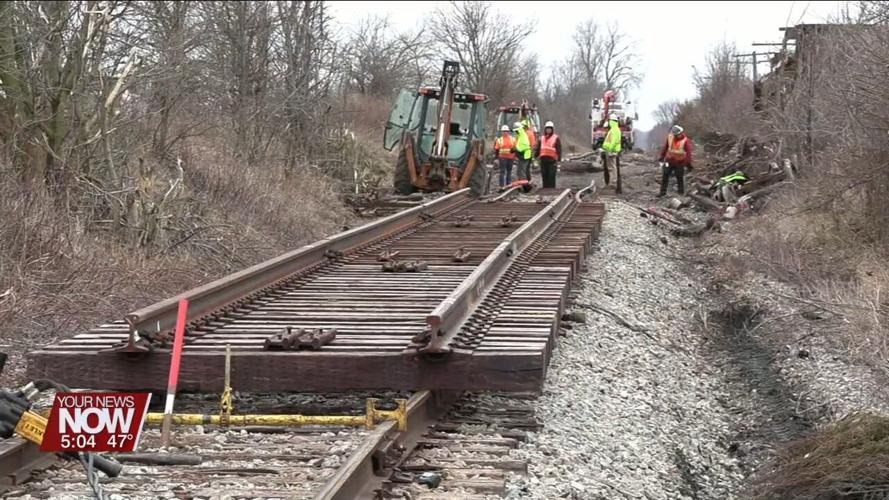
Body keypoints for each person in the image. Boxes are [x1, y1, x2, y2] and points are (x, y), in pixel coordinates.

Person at [657, 125, 694, 197]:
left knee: (679, 177)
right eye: (676, 135)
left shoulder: (685, 141)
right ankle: (662, 192)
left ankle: (681, 193)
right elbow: (666, 147)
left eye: (679, 134)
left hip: (680, 162)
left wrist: (688, 164)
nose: (678, 136)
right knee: (665, 174)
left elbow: (688, 153)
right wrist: (662, 156)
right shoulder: (670, 137)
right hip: (669, 160)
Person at [534, 121, 562, 188]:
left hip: (552, 160)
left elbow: (559, 149)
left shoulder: (556, 138)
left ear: (552, 129)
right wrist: (534, 156)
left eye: (550, 128)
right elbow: (539, 148)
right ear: (545, 129)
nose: (548, 130)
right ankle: (545, 189)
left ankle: (551, 190)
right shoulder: (542, 138)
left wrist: (559, 160)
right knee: (544, 175)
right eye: (547, 128)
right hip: (543, 160)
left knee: (551, 176)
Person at [601, 113, 622, 193]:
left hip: (611, 151)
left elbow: (613, 141)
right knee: (609, 167)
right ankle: (610, 183)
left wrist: (609, 150)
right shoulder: (614, 130)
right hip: (609, 150)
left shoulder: (614, 130)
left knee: (611, 168)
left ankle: (612, 183)